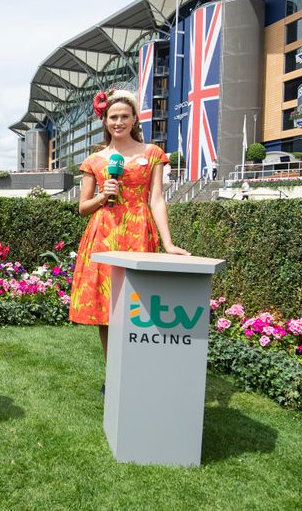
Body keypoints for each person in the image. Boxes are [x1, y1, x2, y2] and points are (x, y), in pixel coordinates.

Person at [69, 89, 191, 385]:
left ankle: (137, 372)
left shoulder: (153, 154)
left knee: (139, 306)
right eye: (113, 117)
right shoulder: (95, 160)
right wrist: (102, 197)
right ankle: (114, 376)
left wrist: (168, 242)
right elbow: (83, 208)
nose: (119, 122)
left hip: (139, 233)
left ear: (135, 118)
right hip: (104, 234)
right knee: (105, 308)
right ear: (106, 121)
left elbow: (157, 199)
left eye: (125, 116)